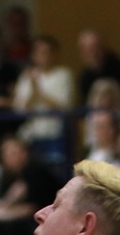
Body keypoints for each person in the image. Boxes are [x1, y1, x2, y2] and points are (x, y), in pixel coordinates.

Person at [12, 35, 75, 165]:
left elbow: (65, 106)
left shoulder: (64, 75)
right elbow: (19, 109)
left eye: (47, 52)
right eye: (39, 52)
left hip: (55, 134)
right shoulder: (26, 77)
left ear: (55, 54)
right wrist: (33, 92)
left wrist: (38, 92)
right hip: (31, 136)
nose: (43, 55)